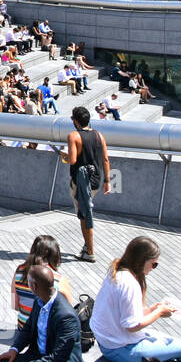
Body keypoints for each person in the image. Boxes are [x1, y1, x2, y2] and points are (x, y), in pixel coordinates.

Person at [91, 236, 181, 362]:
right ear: (142, 260)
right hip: (120, 349)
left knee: (167, 341)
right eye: (154, 264)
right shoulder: (129, 284)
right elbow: (131, 326)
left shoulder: (117, 271)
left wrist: (151, 310)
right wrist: (158, 313)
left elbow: (126, 313)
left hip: (108, 342)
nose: (153, 268)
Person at [62, 106, 110, 262]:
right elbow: (105, 159)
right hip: (95, 180)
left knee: (84, 215)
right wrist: (107, 181)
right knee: (86, 211)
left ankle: (89, 251)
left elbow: (73, 160)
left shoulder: (73, 136)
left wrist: (64, 156)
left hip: (81, 182)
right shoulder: (99, 135)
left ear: (76, 121)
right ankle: (86, 247)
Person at [11, 235, 73, 328]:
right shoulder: (59, 280)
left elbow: (14, 305)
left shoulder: (19, 271)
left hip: (23, 327)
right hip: (46, 332)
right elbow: (69, 312)